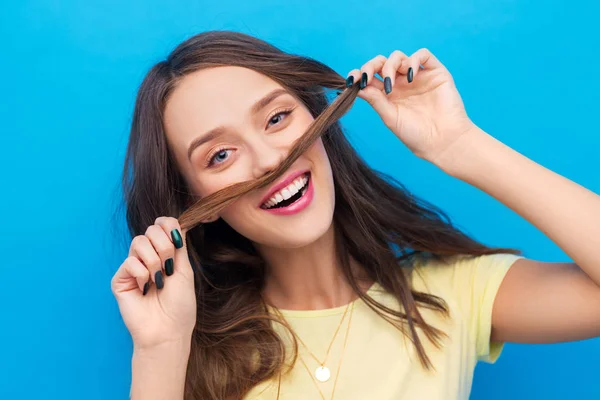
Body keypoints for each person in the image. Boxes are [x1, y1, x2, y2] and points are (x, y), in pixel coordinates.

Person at [110, 31, 600, 400]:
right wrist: (160, 351)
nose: (269, 160)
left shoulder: (449, 295)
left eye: (277, 118)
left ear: (318, 119)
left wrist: (460, 145)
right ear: (193, 199)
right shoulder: (184, 348)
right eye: (219, 155)